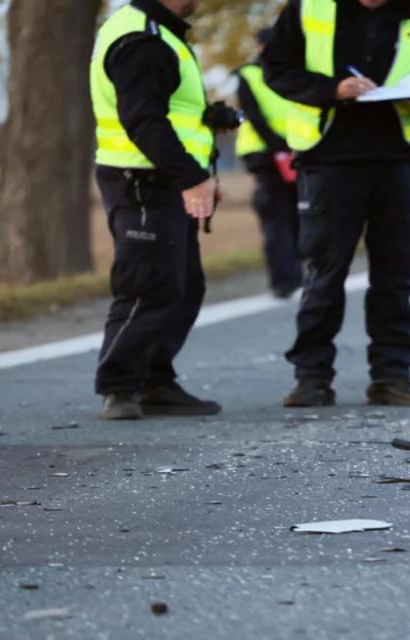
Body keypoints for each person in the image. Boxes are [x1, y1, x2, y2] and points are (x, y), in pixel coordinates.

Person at [262, 0, 410, 408]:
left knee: (395, 272)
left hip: (403, 158)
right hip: (331, 157)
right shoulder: (307, 8)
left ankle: (392, 376)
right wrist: (331, 89)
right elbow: (276, 71)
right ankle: (312, 376)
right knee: (324, 270)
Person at [90, 0, 234, 421]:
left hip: (163, 179)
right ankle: (119, 386)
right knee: (147, 285)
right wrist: (193, 177)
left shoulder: (163, 33)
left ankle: (154, 380)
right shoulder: (143, 39)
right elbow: (143, 120)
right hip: (142, 182)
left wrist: (209, 120)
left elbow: (167, 110)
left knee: (185, 284)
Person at [235, 28, 303, 299]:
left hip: (294, 151)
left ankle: (296, 278)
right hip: (267, 154)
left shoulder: (294, 71)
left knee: (294, 218)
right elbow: (253, 114)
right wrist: (281, 149)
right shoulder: (250, 75)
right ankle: (285, 281)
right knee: (279, 219)